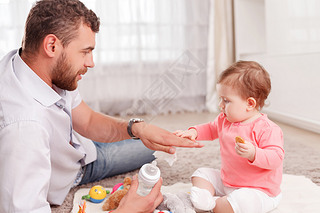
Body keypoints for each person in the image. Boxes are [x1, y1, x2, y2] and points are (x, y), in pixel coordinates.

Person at [0, 0, 204, 212]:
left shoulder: (36, 67)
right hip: (75, 171)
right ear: (51, 46)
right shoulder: (24, 128)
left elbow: (86, 120)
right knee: (152, 152)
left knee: (153, 144)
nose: (91, 62)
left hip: (80, 146)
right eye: (85, 51)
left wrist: (136, 128)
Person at [174, 61, 284, 213]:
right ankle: (206, 198)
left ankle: (216, 205)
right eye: (221, 99)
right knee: (200, 174)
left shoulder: (268, 129)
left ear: (250, 103)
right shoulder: (224, 120)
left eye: (226, 100)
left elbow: (276, 157)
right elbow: (211, 129)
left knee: (242, 202)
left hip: (259, 191)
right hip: (229, 182)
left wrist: (254, 153)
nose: (221, 105)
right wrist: (194, 132)